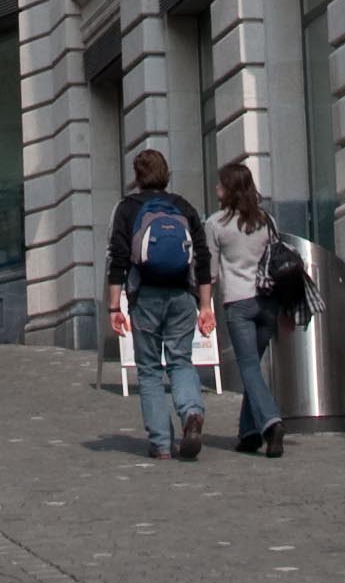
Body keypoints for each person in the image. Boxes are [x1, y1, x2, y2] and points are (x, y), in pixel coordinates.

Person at [107, 147, 216, 462]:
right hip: (182, 295)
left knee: (150, 370)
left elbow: (118, 258)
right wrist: (205, 305)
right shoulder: (183, 206)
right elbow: (203, 257)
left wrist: (115, 307)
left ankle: (162, 444)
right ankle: (192, 411)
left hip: (146, 296)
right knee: (182, 361)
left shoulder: (127, 208)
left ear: (137, 177)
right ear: (166, 174)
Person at [207, 159, 285, 455]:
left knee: (249, 368)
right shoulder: (267, 220)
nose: (216, 187)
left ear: (230, 189)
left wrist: (203, 303)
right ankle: (249, 432)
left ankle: (271, 422)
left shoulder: (216, 224)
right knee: (253, 366)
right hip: (268, 302)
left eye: (220, 183)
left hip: (238, 304)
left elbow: (210, 272)